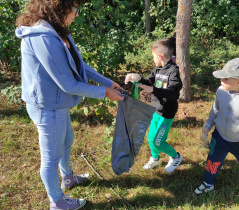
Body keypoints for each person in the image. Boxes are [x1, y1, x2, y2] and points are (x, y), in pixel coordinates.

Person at [15, 1, 124, 209]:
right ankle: (56, 201)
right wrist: (105, 93)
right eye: (73, 10)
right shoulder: (42, 38)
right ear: (58, 9)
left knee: (67, 140)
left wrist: (108, 82)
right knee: (50, 156)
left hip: (58, 102)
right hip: (47, 106)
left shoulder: (57, 31)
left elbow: (80, 65)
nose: (76, 14)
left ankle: (67, 177)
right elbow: (68, 84)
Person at [194, 58, 239, 199]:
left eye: (225, 78)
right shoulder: (221, 90)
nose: (221, 79)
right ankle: (208, 183)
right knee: (212, 161)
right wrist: (208, 125)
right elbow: (215, 109)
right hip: (219, 136)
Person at [124, 39, 183, 173]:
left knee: (158, 141)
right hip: (156, 110)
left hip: (166, 114)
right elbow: (148, 81)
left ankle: (176, 157)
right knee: (151, 137)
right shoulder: (157, 69)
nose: (153, 59)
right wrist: (137, 77)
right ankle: (155, 158)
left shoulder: (173, 71)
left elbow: (173, 91)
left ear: (160, 56)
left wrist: (153, 90)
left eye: (153, 56)